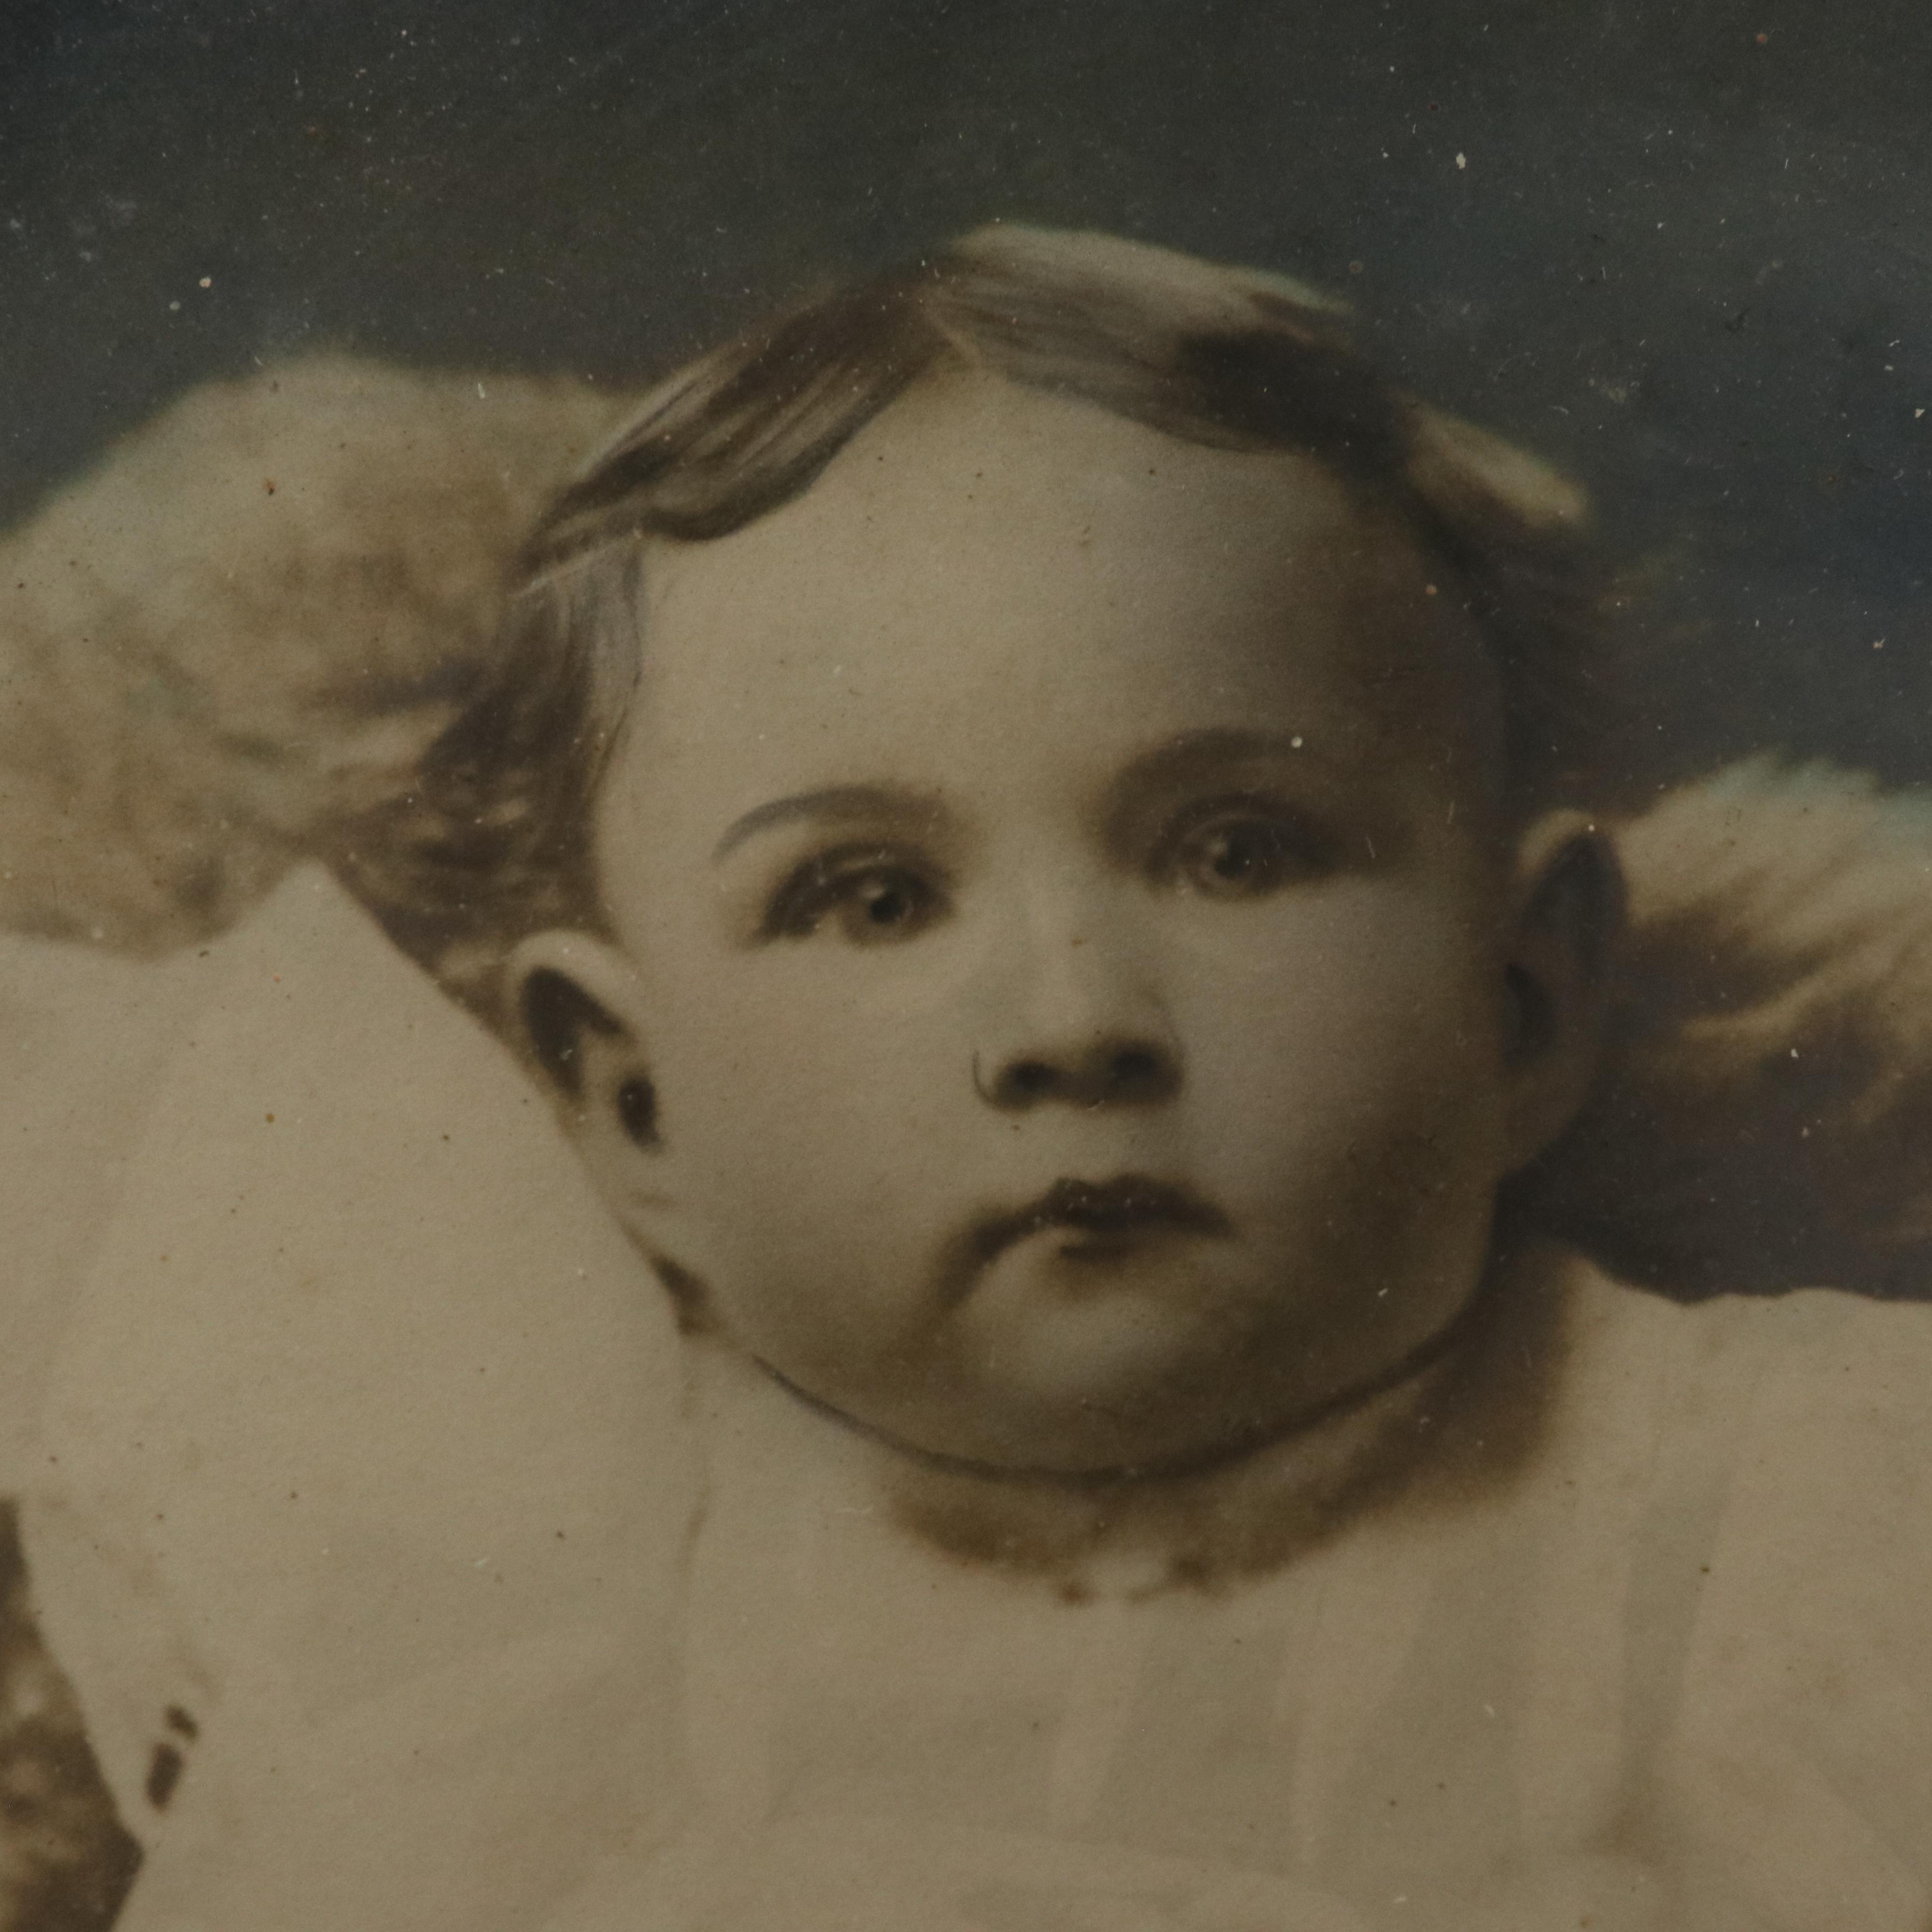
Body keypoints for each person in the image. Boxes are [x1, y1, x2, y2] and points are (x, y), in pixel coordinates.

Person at [26, 227, 1932, 1932]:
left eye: (1236, 852)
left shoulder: (1778, 1515)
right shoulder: (527, 1597)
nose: (1071, 1020)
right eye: (870, 897)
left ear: (1520, 999)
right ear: (635, 1105)